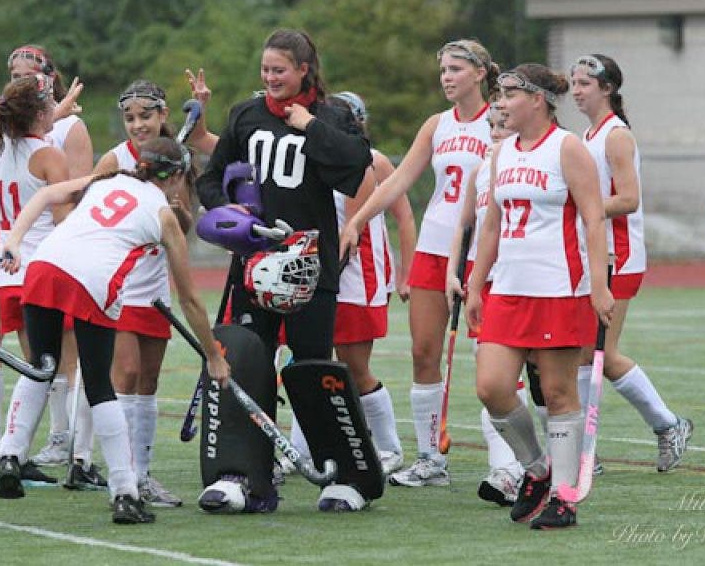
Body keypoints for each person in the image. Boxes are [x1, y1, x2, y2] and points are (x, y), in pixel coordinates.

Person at [0, 136, 229, 524]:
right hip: (92, 281)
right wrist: (213, 355)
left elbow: (48, 194)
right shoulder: (162, 214)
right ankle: (125, 493)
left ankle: (9, 456)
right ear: (174, 177)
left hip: (43, 266)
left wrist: (14, 241)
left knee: (42, 364)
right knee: (100, 386)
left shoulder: (104, 180)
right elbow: (189, 299)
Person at [196, 28, 372, 512]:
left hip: (310, 265)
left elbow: (357, 165)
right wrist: (233, 216)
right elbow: (210, 179)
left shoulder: (332, 114)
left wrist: (308, 125)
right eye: (265, 69)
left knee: (314, 369)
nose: (270, 78)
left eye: (279, 70)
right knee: (246, 361)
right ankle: (242, 474)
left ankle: (342, 474)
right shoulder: (246, 115)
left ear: (302, 70)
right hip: (254, 265)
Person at [340, 39, 498, 487]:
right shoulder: (437, 125)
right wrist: (360, 221)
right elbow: (400, 180)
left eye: (455, 69)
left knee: (491, 357)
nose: (446, 77)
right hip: (433, 248)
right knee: (424, 354)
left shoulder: (498, 124)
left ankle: (507, 465)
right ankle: (431, 459)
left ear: (479, 73)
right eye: (442, 70)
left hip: (479, 250)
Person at [465, 63, 613, 530]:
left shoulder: (568, 149)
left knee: (557, 391)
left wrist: (600, 285)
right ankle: (537, 470)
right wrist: (475, 283)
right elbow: (491, 225)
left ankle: (565, 497)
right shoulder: (503, 152)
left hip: (558, 288)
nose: (501, 103)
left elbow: (593, 218)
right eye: (500, 95)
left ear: (537, 100)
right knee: (490, 386)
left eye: (509, 94)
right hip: (508, 287)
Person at [571, 54, 692, 473]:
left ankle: (667, 425)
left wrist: (582, 207)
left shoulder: (616, 136)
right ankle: (589, 450)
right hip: (593, 252)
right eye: (574, 82)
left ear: (607, 89)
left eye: (585, 82)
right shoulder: (586, 134)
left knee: (599, 350)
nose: (576, 89)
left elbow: (628, 199)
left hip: (618, 256)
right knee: (584, 352)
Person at [93, 80, 195, 507]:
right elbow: (88, 215)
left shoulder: (175, 160)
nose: (138, 124)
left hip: (154, 288)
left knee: (148, 381)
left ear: (163, 114)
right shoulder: (113, 160)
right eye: (130, 118)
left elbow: (185, 227)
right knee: (126, 373)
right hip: (119, 286)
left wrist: (175, 210)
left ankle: (143, 475)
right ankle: (122, 477)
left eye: (145, 116)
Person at [5, 44, 94, 472]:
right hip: (31, 256)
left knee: (55, 353)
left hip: (33, 252)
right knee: (43, 354)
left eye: (27, 76)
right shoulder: (25, 140)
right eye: (13, 74)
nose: (17, 80)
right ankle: (47, 442)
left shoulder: (56, 130)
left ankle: (48, 441)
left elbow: (73, 190)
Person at [443, 96, 529, 506]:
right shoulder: (481, 170)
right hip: (485, 282)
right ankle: (507, 470)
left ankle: (538, 467)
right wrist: (452, 274)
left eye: (503, 128)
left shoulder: (527, 168)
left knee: (544, 382)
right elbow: (465, 227)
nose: (494, 135)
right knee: (493, 378)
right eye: (491, 128)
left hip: (525, 281)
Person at [0, 75, 72, 486]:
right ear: (39, 113)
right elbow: (62, 220)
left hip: (10, 271)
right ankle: (17, 451)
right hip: (42, 268)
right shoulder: (48, 154)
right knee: (53, 366)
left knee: (36, 364)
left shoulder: (1, 149)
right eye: (52, 103)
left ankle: (15, 453)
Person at [325, 91, 414, 475]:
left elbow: (405, 218)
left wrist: (407, 273)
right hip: (323, 271)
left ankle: (388, 447)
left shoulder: (373, 162)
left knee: (355, 366)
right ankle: (312, 446)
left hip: (359, 275)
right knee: (310, 361)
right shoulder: (318, 159)